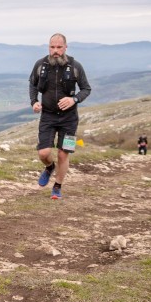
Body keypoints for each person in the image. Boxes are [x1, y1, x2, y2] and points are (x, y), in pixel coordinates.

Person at [29, 33, 92, 200]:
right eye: (52, 47)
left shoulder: (75, 66)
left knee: (64, 154)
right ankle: (49, 167)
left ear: (65, 47)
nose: (55, 51)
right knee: (43, 153)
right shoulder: (40, 65)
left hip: (69, 119)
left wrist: (74, 99)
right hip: (48, 116)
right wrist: (34, 101)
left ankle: (57, 186)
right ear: (48, 47)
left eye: (59, 47)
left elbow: (86, 89)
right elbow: (32, 84)